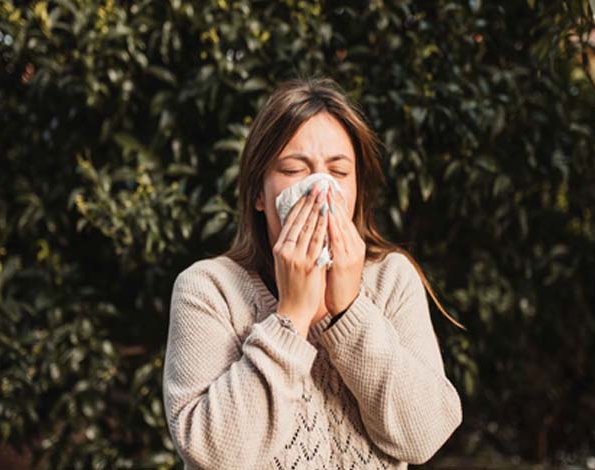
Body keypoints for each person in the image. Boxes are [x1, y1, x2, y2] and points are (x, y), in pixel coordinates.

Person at [162, 77, 463, 470]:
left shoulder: (391, 279)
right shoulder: (208, 289)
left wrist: (348, 311)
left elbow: (423, 436)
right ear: (258, 192)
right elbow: (214, 454)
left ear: (357, 190)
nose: (319, 190)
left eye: (338, 172)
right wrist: (292, 317)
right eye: (293, 169)